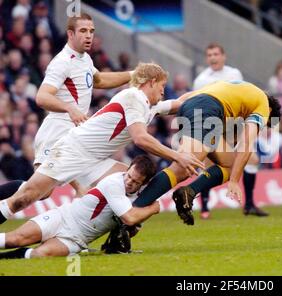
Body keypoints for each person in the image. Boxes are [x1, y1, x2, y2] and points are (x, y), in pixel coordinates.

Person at [0, 62, 205, 225]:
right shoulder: (134, 97)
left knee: (134, 184)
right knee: (27, 197)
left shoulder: (149, 105)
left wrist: (211, 97)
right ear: (151, 82)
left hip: (94, 160)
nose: (163, 92)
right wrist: (178, 156)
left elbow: (179, 104)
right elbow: (140, 138)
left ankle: (119, 233)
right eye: (161, 87)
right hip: (73, 150)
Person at [0, 13, 134, 201]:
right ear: (70, 34)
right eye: (83, 31)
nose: (89, 36)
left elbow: (101, 80)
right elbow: (42, 96)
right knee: (38, 191)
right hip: (56, 131)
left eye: (91, 31)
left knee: (39, 192)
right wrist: (70, 109)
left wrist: (133, 75)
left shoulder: (85, 59)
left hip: (73, 133)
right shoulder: (62, 62)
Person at [131, 80, 281, 226]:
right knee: (181, 169)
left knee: (229, 164)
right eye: (265, 124)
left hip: (196, 109)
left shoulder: (234, 87)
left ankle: (189, 192)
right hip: (207, 111)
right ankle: (129, 217)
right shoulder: (263, 105)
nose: (261, 126)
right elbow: (246, 143)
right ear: (270, 112)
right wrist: (235, 181)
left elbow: (187, 98)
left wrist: (156, 109)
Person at [0, 155, 160, 259]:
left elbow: (131, 227)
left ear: (143, 183)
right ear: (128, 168)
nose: (129, 181)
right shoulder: (114, 182)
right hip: (62, 218)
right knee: (15, 239)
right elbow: (130, 218)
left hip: (77, 239)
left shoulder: (139, 201)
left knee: (40, 255)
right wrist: (154, 208)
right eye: (128, 175)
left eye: (135, 181)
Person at [193, 43, 268, 218]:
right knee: (208, 164)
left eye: (216, 54)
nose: (213, 57)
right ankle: (204, 207)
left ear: (223, 56)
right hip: (213, 125)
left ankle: (249, 204)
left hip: (234, 125)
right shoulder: (201, 80)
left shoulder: (234, 74)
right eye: (209, 54)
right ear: (207, 58)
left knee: (252, 159)